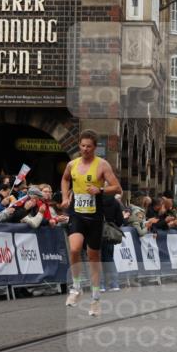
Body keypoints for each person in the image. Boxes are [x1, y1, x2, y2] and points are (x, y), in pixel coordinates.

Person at [61, 129, 121, 316]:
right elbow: (65, 179)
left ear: (95, 147)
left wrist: (100, 190)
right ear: (79, 145)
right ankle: (77, 287)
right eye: (82, 146)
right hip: (77, 214)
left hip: (94, 217)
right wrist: (65, 197)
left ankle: (95, 299)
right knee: (74, 249)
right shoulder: (72, 164)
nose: (85, 149)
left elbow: (117, 187)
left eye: (89, 146)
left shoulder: (102, 165)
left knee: (94, 257)